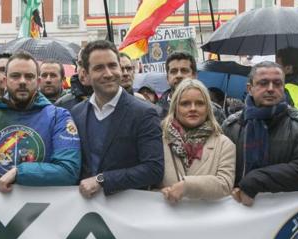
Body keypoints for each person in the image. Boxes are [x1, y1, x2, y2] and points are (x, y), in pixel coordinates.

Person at [0, 51, 81, 193]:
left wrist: (19, 172)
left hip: (44, 209)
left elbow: (69, 170)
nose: (22, 81)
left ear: (38, 82)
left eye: (29, 76)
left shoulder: (58, 116)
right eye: (15, 76)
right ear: (4, 81)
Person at [71, 40, 163, 197]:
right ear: (85, 75)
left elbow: (153, 169)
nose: (108, 74)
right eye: (99, 68)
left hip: (128, 213)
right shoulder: (76, 113)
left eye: (112, 66)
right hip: (86, 211)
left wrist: (102, 180)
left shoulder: (145, 113)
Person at [223, 61, 298, 206]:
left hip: (284, 215)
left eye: (277, 83)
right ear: (250, 88)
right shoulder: (231, 126)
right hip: (240, 213)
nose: (270, 89)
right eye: (263, 83)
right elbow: (222, 171)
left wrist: (254, 181)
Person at [161, 79, 235, 202]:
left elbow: (225, 184)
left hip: (208, 219)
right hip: (170, 216)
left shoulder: (224, 144)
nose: (193, 108)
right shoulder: (159, 142)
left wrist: (187, 186)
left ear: (208, 108)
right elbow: (150, 184)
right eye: (185, 104)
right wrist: (160, 193)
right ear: (175, 107)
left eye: (200, 103)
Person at [157, 52, 226, 124]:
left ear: (194, 75)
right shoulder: (156, 112)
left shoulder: (213, 111)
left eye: (184, 70)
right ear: (167, 78)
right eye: (174, 71)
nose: (179, 75)